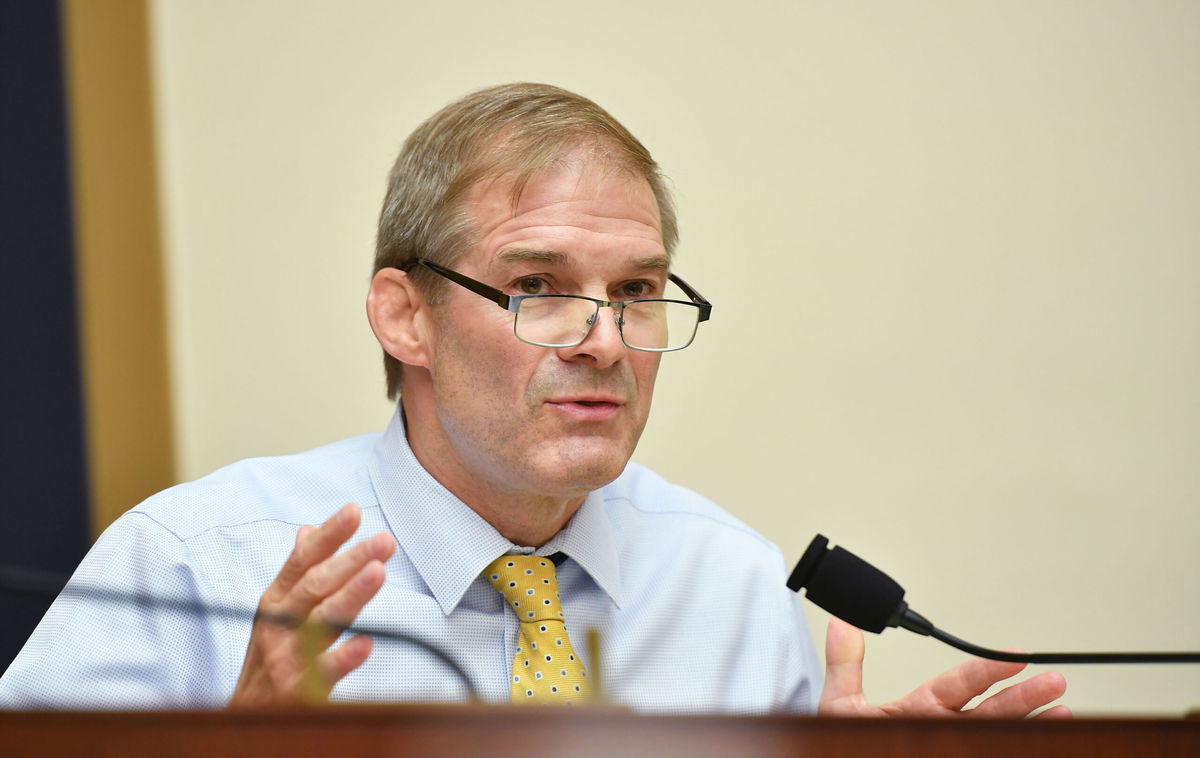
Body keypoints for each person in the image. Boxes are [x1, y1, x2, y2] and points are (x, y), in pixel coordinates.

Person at [0, 83, 1068, 717]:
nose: (605, 340)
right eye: (539, 289)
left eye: (638, 293)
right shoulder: (195, 567)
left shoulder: (731, 581)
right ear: (402, 316)